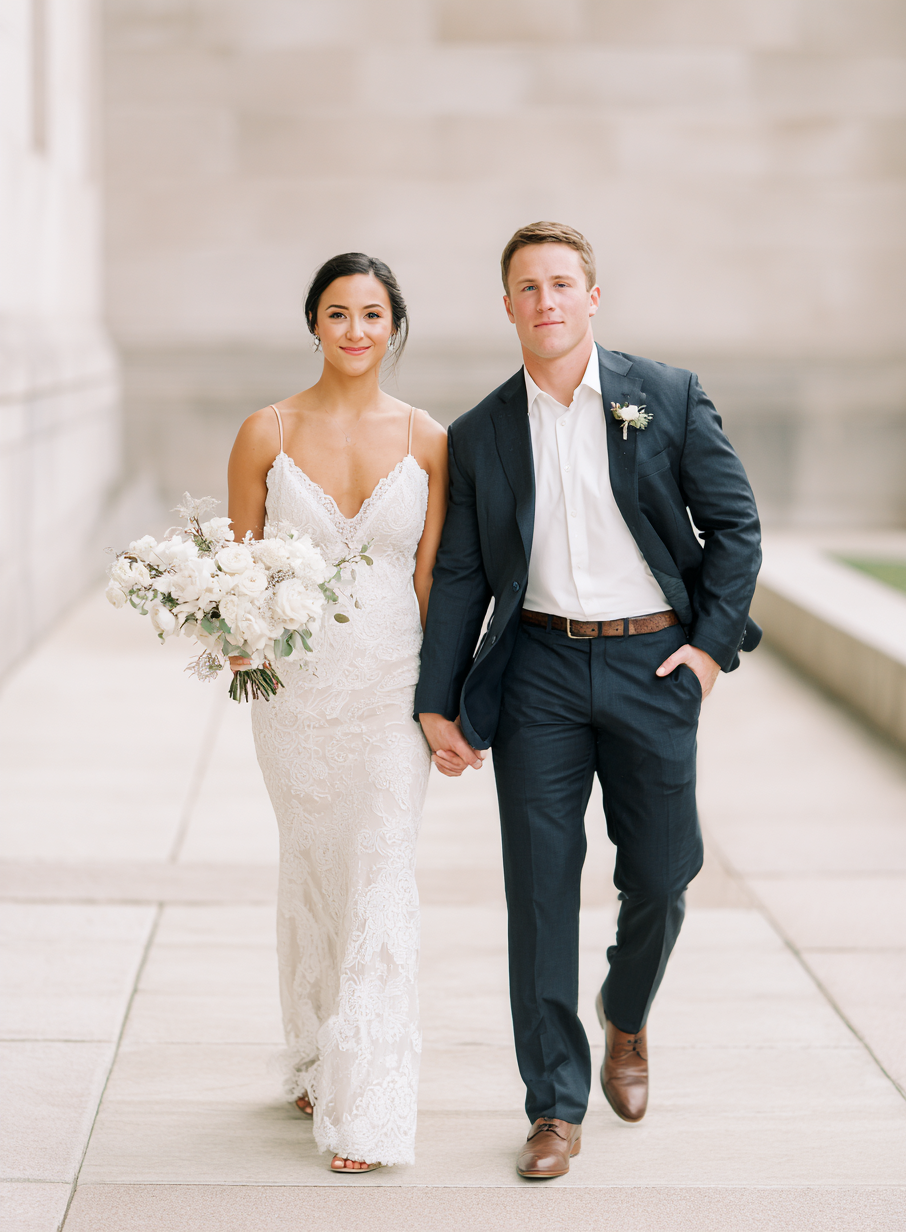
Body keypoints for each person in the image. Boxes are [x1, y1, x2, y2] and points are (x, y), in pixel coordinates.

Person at [415, 222, 762, 1179]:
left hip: (655, 663)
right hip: (539, 671)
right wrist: (438, 700)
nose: (547, 302)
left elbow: (735, 526)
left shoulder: (667, 396)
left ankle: (627, 1010)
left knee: (662, 875)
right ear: (507, 307)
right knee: (538, 890)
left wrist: (708, 652)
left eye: (562, 284)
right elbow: (461, 575)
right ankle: (553, 1106)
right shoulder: (480, 433)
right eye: (528, 288)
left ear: (592, 297)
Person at [227, 253, 448, 1173]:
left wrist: (444, 702)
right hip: (298, 696)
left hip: (392, 686)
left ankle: (370, 1109)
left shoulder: (429, 438)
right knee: (316, 866)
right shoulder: (266, 431)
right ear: (313, 323)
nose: (355, 331)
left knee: (382, 870)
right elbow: (238, 567)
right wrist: (237, 638)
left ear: (394, 327)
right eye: (337, 313)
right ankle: (319, 1053)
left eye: (371, 314)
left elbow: (433, 579)